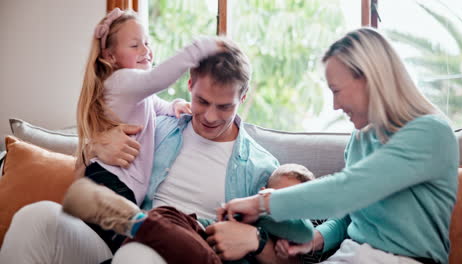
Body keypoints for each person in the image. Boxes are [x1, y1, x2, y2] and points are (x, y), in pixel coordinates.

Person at [0, 31, 288, 264]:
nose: (210, 116)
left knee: (137, 254)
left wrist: (256, 241)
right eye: (202, 101)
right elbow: (81, 182)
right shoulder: (155, 128)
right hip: (120, 243)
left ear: (244, 97)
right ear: (189, 84)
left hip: (186, 252)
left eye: (224, 106)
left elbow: (287, 255)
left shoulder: (262, 168)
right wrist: (95, 149)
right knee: (35, 217)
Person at [220, 27, 459, 264]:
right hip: (352, 254)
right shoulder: (360, 138)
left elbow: (348, 190)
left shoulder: (430, 133)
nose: (335, 105)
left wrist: (261, 203)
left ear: (369, 79)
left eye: (336, 90)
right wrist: (316, 239)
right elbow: (352, 213)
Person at [73, 7, 224, 252]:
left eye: (146, 43)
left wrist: (174, 105)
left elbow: (156, 104)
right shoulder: (122, 81)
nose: (146, 51)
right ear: (110, 57)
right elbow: (156, 79)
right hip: (111, 184)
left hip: (117, 188)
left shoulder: (132, 93)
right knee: (142, 244)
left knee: (125, 249)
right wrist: (198, 49)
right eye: (135, 46)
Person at [60, 163, 315, 263]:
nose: (282, 205)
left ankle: (132, 221)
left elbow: (302, 231)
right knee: (172, 215)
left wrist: (264, 208)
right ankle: (139, 223)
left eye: (292, 202)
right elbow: (204, 225)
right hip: (198, 246)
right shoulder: (250, 216)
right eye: (276, 195)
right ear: (262, 191)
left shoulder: (299, 235)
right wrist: (203, 225)